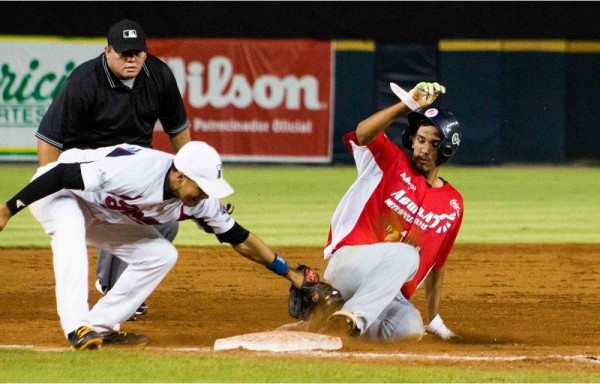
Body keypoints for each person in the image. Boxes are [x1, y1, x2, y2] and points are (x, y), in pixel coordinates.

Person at [0, 141, 334, 350]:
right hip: (59, 194)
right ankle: (76, 327)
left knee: (160, 253)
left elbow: (239, 238)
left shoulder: (199, 201)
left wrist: (288, 272)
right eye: (201, 186)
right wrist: (8, 209)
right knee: (69, 231)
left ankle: (101, 325)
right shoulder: (135, 170)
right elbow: (60, 175)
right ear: (179, 175)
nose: (205, 194)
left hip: (102, 214)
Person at [35, 18, 191, 319]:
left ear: (145, 53)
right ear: (107, 51)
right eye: (123, 53)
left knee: (167, 221)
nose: (131, 59)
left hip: (135, 171)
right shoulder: (84, 80)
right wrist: (48, 189)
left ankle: (121, 290)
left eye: (137, 53)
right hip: (90, 172)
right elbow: (49, 137)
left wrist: (191, 177)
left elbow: (179, 131)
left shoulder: (159, 76)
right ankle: (110, 287)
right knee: (117, 216)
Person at [320, 81, 463, 342]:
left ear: (446, 151)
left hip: (386, 293)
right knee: (408, 254)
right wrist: (406, 106)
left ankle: (325, 325)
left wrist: (433, 319)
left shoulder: (453, 204)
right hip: (349, 266)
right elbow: (363, 133)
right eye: (420, 140)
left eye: (433, 144)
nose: (423, 149)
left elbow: (437, 266)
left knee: (409, 329)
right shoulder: (388, 160)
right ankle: (351, 316)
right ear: (411, 138)